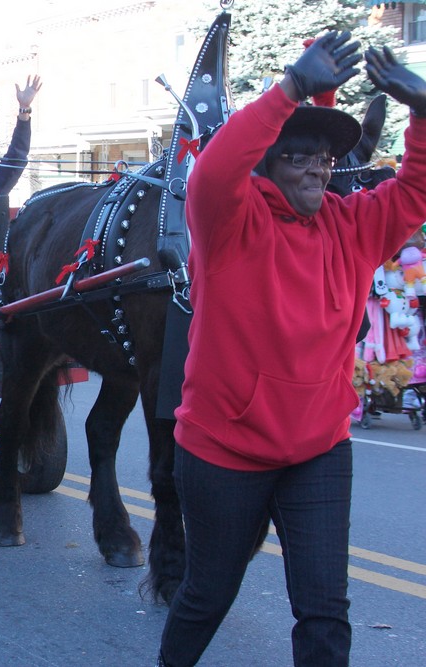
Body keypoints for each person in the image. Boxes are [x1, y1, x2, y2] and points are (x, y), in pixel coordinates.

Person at [156, 34, 426, 667]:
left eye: (325, 159)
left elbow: (414, 191)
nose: (315, 168)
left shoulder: (354, 226)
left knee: (325, 611)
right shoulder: (230, 221)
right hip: (225, 450)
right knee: (207, 595)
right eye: (298, 156)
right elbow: (218, 168)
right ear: (270, 164)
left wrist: (425, 113)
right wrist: (289, 91)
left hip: (318, 449)